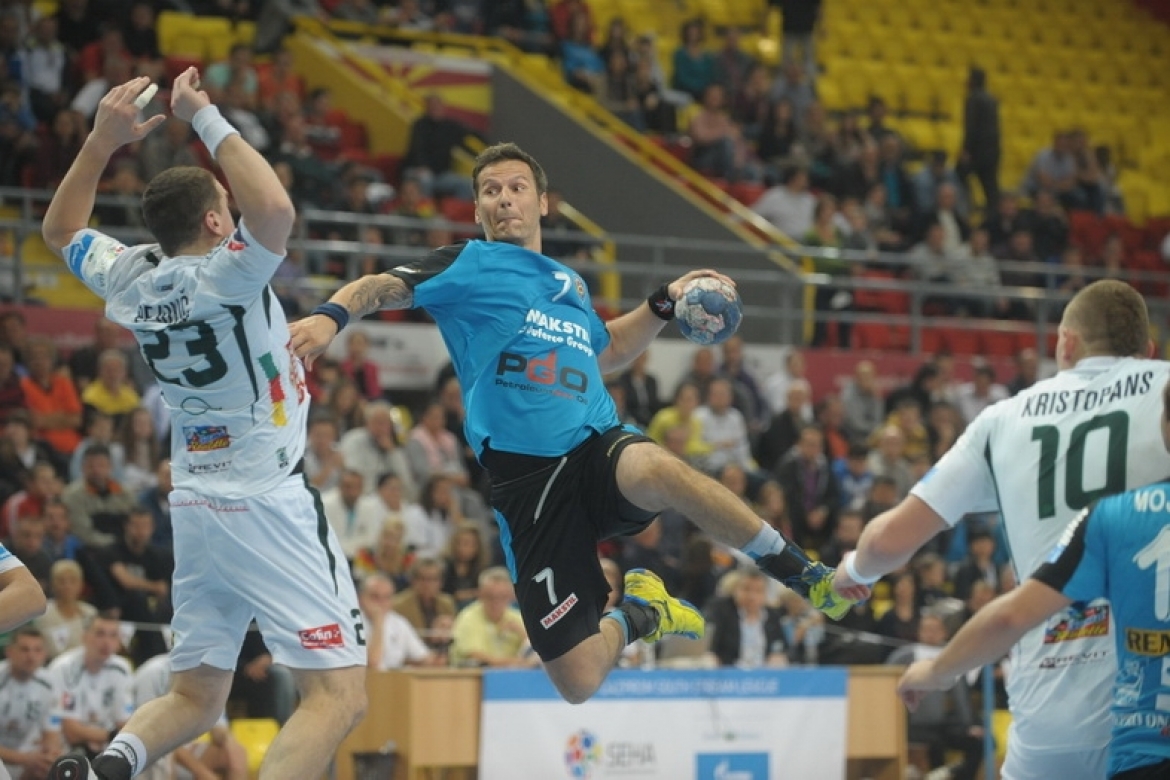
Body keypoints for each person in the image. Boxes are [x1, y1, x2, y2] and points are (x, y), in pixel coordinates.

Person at [290, 141, 862, 704]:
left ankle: (803, 573)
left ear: (542, 203)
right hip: (528, 484)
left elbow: (607, 348)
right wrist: (330, 317)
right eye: (490, 190)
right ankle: (643, 613)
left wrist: (663, 302)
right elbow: (379, 286)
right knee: (578, 680)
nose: (504, 199)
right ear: (478, 209)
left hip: (594, 446)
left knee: (658, 468)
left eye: (517, 187)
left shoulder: (570, 283)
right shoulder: (468, 263)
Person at [40, 72, 366, 780]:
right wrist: (204, 116)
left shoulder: (131, 275)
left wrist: (100, 142)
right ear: (218, 223)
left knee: (195, 695)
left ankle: (105, 768)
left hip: (195, 502)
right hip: (267, 499)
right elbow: (275, 208)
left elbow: (59, 230)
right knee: (339, 696)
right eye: (225, 204)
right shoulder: (230, 275)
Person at [834, 280, 1170, 780]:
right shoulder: (1163, 388)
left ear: (1065, 343)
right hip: (1152, 700)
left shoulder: (1002, 419)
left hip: (1049, 705)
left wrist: (853, 570)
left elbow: (889, 542)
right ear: (1149, 351)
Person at [898, 409, 1170, 780]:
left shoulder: (1115, 515)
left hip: (1145, 751)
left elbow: (1012, 616)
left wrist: (936, 670)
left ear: (1164, 427)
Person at [0, 628, 62, 779]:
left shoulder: (50, 683)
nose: (31, 656)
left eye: (37, 650)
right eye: (24, 649)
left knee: (51, 766)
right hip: (14, 756)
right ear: (9, 652)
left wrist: (48, 757)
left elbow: (52, 732)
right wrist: (24, 759)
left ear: (45, 654)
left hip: (25, 753)